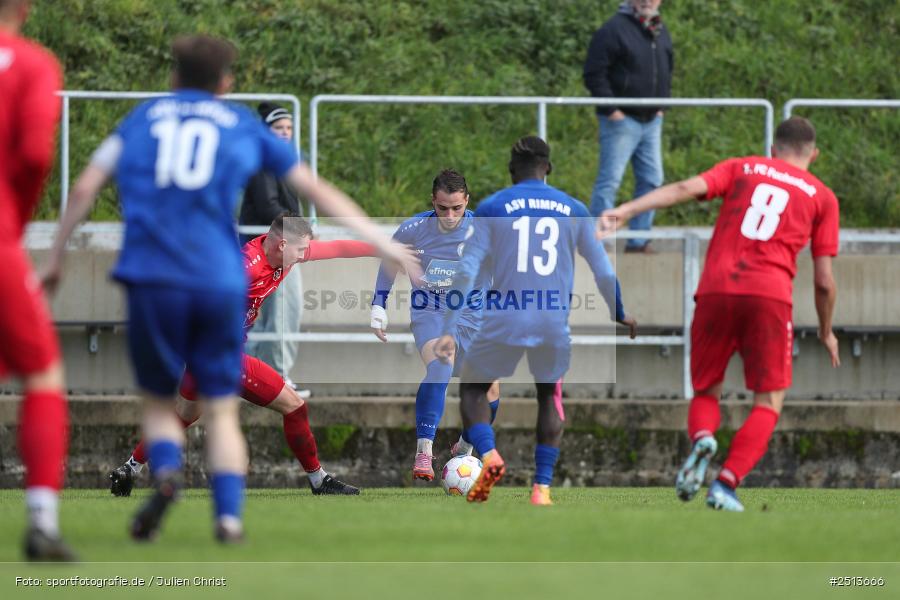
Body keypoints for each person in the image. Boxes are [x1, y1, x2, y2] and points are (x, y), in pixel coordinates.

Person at [42, 35, 417, 543]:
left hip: (152, 280)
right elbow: (314, 186)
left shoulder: (146, 119)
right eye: (300, 248)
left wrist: (381, 248)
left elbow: (86, 186)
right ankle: (267, 501)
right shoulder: (244, 246)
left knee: (176, 414)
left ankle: (136, 470)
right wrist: (382, 240)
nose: (307, 254)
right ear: (226, 83)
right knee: (272, 407)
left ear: (174, 79)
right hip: (211, 319)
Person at [598, 116, 840, 511]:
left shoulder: (743, 167)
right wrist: (827, 331)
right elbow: (825, 281)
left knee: (707, 388)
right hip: (769, 295)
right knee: (768, 400)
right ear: (813, 154)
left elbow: (682, 188)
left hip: (714, 289)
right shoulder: (822, 197)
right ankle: (726, 484)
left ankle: (703, 438)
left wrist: (626, 210)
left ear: (773, 148)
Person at [108, 214, 374, 496]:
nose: (303, 256)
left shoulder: (280, 254)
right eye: (300, 251)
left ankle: (130, 468)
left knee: (182, 417)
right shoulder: (246, 268)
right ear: (282, 245)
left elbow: (337, 249)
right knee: (295, 406)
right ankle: (318, 481)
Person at [435, 137, 636, 505]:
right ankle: (541, 489)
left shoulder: (494, 206)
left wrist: (449, 326)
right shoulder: (574, 209)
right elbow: (604, 272)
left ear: (512, 170)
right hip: (551, 322)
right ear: (549, 169)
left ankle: (490, 455)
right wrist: (619, 311)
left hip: (504, 318)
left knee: (473, 389)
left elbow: (466, 271)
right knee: (549, 397)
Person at [0, 0, 74, 561]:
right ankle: (42, 522)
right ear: (22, 9)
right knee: (43, 375)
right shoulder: (32, 64)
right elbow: (32, 155)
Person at [370, 170, 500, 481]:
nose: (450, 215)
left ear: (467, 201)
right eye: (443, 208)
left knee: (491, 392)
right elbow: (389, 263)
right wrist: (378, 305)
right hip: (431, 313)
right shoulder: (413, 229)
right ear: (433, 201)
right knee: (442, 362)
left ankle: (463, 449)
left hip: (472, 317)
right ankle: (424, 451)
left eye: (457, 208)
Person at [583, 0, 673, 252]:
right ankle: (596, 242)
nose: (647, 1)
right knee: (609, 181)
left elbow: (667, 68)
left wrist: (662, 107)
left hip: (651, 120)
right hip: (622, 121)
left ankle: (639, 240)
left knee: (652, 180)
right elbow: (593, 73)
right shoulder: (613, 29)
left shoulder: (659, 29)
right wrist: (613, 111)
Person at [240, 103, 306, 393]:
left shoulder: (281, 163)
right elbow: (270, 207)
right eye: (279, 129)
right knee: (282, 315)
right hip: (274, 250)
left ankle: (252, 378)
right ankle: (277, 379)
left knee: (267, 318)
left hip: (278, 248)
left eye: (289, 129)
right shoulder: (263, 162)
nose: (285, 134)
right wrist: (300, 230)